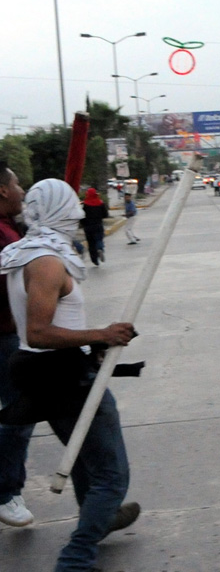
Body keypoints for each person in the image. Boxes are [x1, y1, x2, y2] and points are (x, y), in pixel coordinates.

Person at [0, 179, 140, 571]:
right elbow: (38, 332)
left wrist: (90, 344)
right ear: (60, 210)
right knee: (111, 475)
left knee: (83, 462)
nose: (78, 212)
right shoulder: (46, 261)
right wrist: (102, 334)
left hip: (55, 371)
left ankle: (100, 518)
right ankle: (75, 559)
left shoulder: (28, 252)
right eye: (71, 205)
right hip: (64, 377)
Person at [0, 163, 32, 528]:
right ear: (3, 190)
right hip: (4, 336)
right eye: (17, 184)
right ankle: (5, 492)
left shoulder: (10, 227)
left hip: (13, 333)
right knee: (20, 412)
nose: (22, 190)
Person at [81, 188, 108, 266]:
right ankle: (100, 248)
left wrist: (83, 223)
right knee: (99, 239)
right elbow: (105, 214)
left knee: (91, 243)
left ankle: (94, 260)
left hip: (88, 227)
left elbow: (81, 216)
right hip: (98, 225)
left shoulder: (84, 204)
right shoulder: (100, 203)